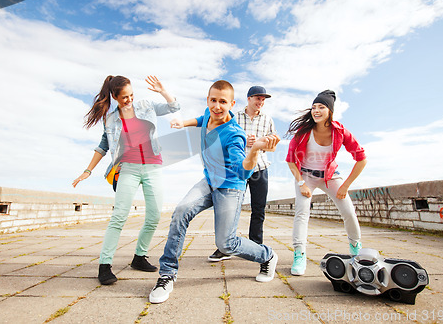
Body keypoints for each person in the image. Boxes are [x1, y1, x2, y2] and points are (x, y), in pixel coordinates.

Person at [148, 80, 280, 304]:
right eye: (213, 100)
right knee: (181, 211)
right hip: (209, 180)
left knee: (226, 244)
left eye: (223, 102)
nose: (217, 106)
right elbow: (201, 120)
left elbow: (243, 172)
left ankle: (267, 255)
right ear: (208, 100)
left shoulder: (234, 135)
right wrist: (183, 123)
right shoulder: (209, 114)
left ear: (232, 104)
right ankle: (167, 274)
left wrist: (255, 150)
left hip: (230, 186)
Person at [72, 75, 180, 285]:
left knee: (154, 215)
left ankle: (139, 257)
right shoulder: (110, 119)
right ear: (114, 97)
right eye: (124, 97)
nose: (129, 100)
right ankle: (104, 265)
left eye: (131, 95)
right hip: (127, 169)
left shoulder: (147, 106)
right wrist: (88, 170)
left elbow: (174, 107)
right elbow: (103, 146)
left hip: (153, 166)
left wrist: (163, 91)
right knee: (119, 217)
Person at [285, 90, 366, 276]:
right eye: (314, 107)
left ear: (330, 111)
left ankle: (356, 249)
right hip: (305, 175)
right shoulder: (303, 132)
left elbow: (361, 159)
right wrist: (301, 184)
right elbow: (290, 160)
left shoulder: (340, 131)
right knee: (301, 212)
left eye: (321, 107)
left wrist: (345, 185)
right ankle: (300, 254)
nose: (316, 110)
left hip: (330, 176)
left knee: (348, 211)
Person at [208, 86, 276, 262]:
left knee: (258, 209)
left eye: (263, 99)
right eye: (258, 98)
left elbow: (273, 144)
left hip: (260, 168)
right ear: (249, 98)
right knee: (230, 208)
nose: (260, 102)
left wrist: (266, 142)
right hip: (236, 169)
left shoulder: (267, 119)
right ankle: (224, 248)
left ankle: (255, 248)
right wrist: (245, 139)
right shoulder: (234, 116)